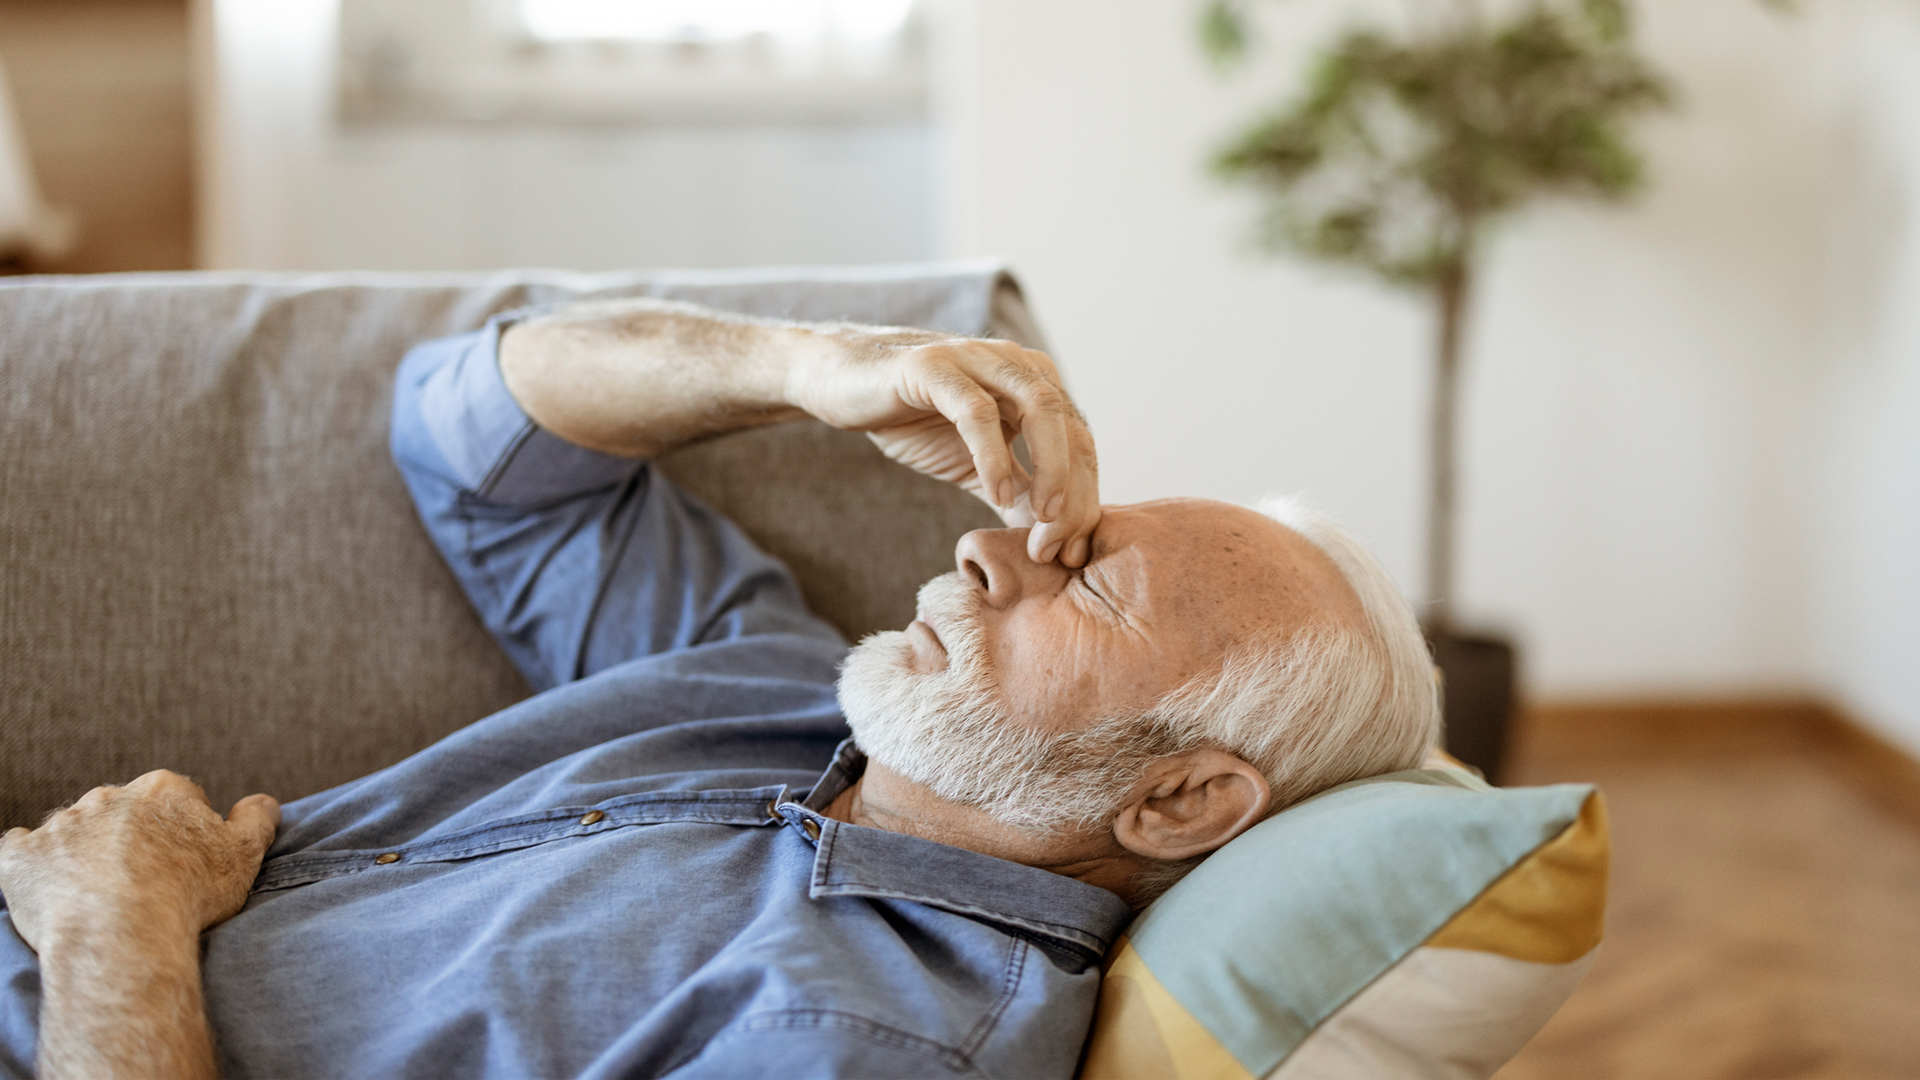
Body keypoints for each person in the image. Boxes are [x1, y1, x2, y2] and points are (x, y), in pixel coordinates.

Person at [0, 298, 1439, 1079]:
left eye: (1089, 583)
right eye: (1046, 537)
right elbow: (475, 432)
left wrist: (115, 929)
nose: (990, 554)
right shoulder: (770, 679)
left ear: (1181, 797)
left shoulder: (875, 1042)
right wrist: (808, 363)